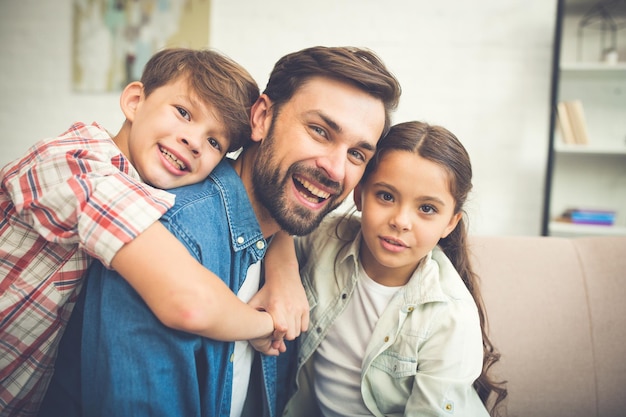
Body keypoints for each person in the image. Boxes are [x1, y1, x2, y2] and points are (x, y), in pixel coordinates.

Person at [41, 45, 402, 417]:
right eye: (319, 131)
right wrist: (264, 322)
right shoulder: (166, 237)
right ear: (261, 117)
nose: (336, 170)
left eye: (357, 154)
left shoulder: (309, 241)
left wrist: (284, 259)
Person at [0, 47, 295, 417]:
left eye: (215, 142)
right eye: (184, 113)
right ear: (135, 101)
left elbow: (254, 197)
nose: (194, 141)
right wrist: (264, 325)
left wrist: (284, 264)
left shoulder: (147, 188)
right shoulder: (76, 166)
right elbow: (186, 301)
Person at [280, 121, 508, 416]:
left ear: (450, 223)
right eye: (386, 196)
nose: (401, 221)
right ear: (359, 194)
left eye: (426, 209)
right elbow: (278, 230)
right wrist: (280, 275)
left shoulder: (451, 317)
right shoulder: (324, 240)